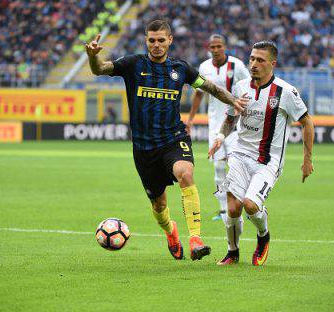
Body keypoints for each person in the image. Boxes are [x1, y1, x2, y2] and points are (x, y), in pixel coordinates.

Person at [85, 20, 248, 261]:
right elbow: (99, 70)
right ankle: (171, 232)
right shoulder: (133, 64)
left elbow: (210, 87)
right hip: (144, 148)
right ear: (146, 40)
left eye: (161, 40)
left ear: (170, 40)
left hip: (173, 138)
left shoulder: (180, 69)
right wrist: (92, 57)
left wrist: (232, 99)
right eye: (152, 40)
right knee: (159, 207)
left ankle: (195, 239)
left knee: (186, 173)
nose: (157, 45)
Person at [208, 41, 315, 266]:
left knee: (250, 204)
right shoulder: (240, 87)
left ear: (272, 64)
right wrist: (219, 138)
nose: (254, 64)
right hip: (240, 154)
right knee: (233, 208)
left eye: (260, 60)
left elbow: (307, 123)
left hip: (268, 161)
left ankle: (263, 235)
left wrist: (307, 160)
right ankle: (232, 252)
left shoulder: (286, 92)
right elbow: (230, 119)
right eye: (252, 59)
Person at [186, 34, 250, 224]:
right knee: (219, 166)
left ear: (225, 47)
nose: (215, 50)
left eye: (219, 46)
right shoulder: (205, 67)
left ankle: (244, 204)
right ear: (209, 48)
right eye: (212, 47)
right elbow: (198, 95)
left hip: (236, 124)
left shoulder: (237, 65)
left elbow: (249, 87)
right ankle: (223, 210)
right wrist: (190, 120)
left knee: (238, 165)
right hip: (215, 124)